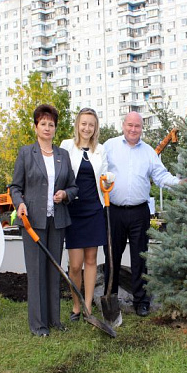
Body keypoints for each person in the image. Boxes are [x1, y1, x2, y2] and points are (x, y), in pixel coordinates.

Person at [10, 104, 78, 337]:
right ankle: (38, 325)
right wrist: (19, 202)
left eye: (51, 124)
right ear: (36, 127)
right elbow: (15, 186)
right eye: (43, 124)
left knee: (53, 269)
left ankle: (54, 320)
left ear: (55, 128)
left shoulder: (63, 155)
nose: (47, 128)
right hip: (33, 222)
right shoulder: (26, 153)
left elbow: (73, 185)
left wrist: (66, 194)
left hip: (56, 221)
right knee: (37, 273)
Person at [103, 111, 180, 317]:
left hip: (139, 212)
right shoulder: (109, 146)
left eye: (137, 126)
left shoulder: (148, 152)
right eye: (130, 125)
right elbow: (98, 169)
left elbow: (161, 176)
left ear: (141, 128)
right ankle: (110, 300)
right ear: (123, 125)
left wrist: (181, 184)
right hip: (113, 211)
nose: (133, 129)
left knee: (140, 258)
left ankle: (141, 301)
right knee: (112, 257)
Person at [60, 108, 113, 321]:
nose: (87, 128)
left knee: (91, 260)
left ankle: (88, 307)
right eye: (84, 123)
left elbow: (106, 175)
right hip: (73, 209)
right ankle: (76, 304)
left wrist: (109, 179)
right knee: (75, 265)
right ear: (77, 125)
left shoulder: (100, 150)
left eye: (91, 124)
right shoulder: (66, 146)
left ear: (95, 127)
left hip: (94, 209)